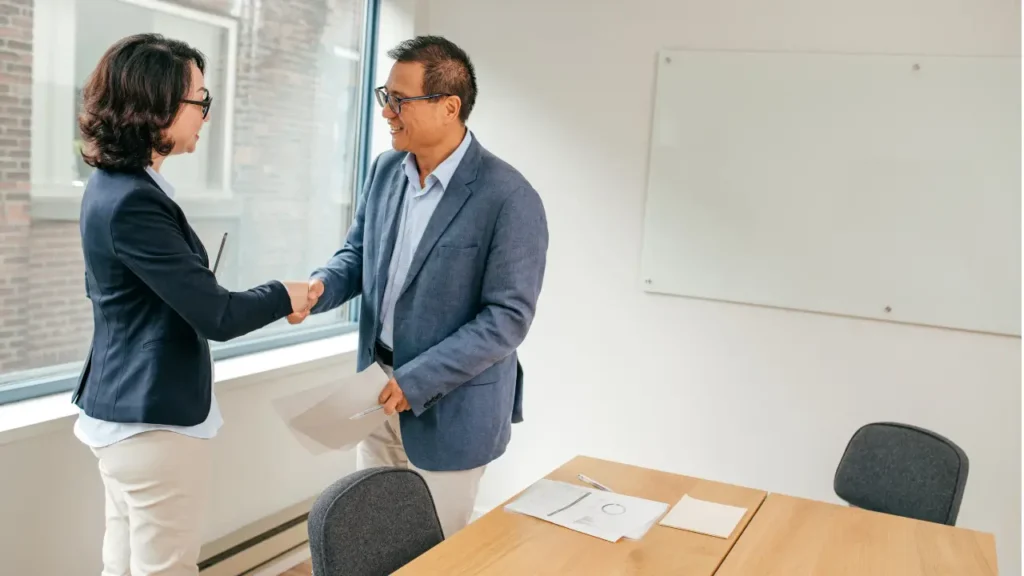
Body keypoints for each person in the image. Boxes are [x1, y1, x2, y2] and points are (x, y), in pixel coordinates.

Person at [73, 34, 312, 576]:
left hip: (122, 412)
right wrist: (284, 294)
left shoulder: (115, 184)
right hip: (151, 420)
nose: (206, 114)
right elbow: (218, 316)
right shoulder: (133, 200)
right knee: (167, 568)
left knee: (124, 561)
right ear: (156, 106)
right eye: (200, 101)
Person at [292, 35, 548, 538]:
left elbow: (507, 319)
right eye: (384, 97)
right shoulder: (386, 170)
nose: (387, 112)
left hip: (451, 405)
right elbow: (358, 255)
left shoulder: (509, 198)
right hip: (375, 388)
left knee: (436, 554)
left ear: (449, 106)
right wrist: (321, 286)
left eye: (399, 100)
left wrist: (419, 380)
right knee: (371, 543)